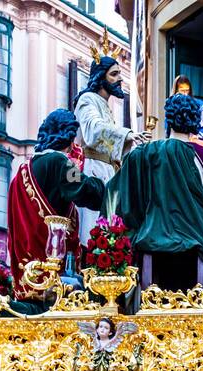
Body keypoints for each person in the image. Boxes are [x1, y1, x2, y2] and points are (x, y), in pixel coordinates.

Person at [114, 94, 203, 293]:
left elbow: (127, 203)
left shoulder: (144, 154)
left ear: (168, 121)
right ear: (197, 122)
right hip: (202, 252)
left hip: (152, 250)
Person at [9, 110, 106, 299]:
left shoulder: (24, 168)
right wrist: (105, 182)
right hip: (53, 272)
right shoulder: (58, 162)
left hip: (26, 272)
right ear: (69, 137)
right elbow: (87, 190)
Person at [74, 52, 148, 241]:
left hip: (109, 172)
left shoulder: (104, 105)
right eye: (114, 74)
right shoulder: (87, 100)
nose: (119, 79)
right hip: (93, 170)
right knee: (93, 228)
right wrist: (127, 134)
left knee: (109, 230)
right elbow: (93, 129)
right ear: (100, 77)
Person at [170, 75, 203, 140]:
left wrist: (197, 134)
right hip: (177, 142)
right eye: (182, 90)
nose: (185, 94)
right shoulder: (171, 105)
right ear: (176, 91)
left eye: (187, 90)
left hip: (194, 144)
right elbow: (167, 128)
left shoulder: (199, 104)